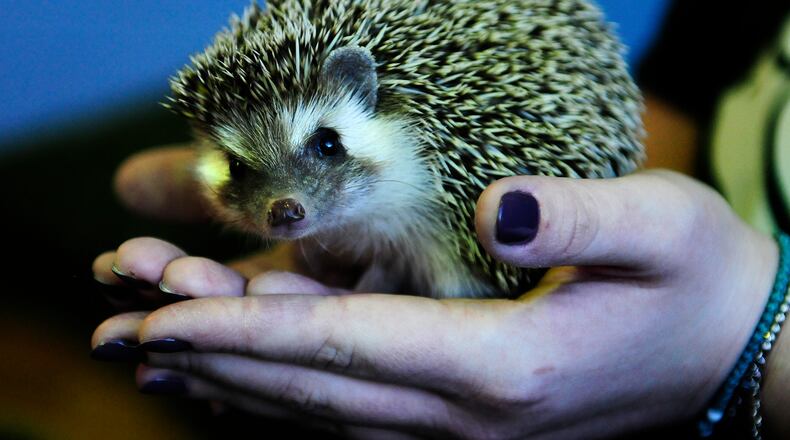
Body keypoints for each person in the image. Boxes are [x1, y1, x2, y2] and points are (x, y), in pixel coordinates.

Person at [90, 4, 790, 439]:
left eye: (325, 146)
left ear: (370, 98)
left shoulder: (437, 171)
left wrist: (734, 328)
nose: (287, 202)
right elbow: (672, 102)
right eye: (245, 171)